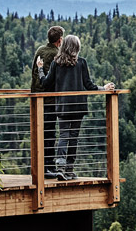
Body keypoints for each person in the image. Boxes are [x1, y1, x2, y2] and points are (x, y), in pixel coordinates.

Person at [37, 34, 115, 181]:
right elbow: (89, 85)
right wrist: (103, 88)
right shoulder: (81, 63)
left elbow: (45, 83)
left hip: (62, 106)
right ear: (76, 48)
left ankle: (59, 167)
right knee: (74, 137)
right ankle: (69, 169)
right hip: (78, 106)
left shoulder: (56, 64)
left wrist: (40, 69)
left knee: (63, 135)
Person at [31, 25, 65, 178]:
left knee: (40, 133)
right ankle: (48, 167)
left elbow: (35, 74)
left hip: (36, 97)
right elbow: (54, 78)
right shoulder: (56, 54)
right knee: (50, 133)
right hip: (49, 100)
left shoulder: (40, 50)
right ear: (59, 40)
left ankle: (41, 166)